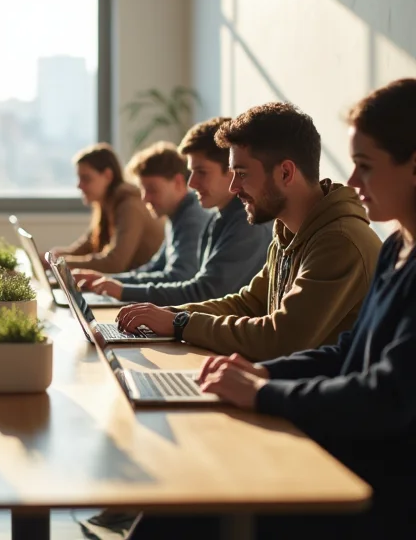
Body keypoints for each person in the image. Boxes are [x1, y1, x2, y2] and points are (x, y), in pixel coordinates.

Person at [133, 79, 416, 539]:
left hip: (374, 477)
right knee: (182, 490)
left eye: (365, 166)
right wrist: (263, 376)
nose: (353, 181)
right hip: (334, 430)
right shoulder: (393, 249)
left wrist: (262, 390)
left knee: (195, 490)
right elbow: (347, 349)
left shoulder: (344, 241)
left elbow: (385, 395)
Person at [116, 103, 381, 361]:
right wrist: (170, 315)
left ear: (286, 173)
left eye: (242, 173)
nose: (233, 187)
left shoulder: (339, 241)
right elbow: (248, 304)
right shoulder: (287, 234)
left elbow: (279, 339)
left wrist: (180, 323)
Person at [81, 118, 272, 306]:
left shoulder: (247, 223)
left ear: (232, 171)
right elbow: (160, 269)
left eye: (202, 172)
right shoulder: (217, 218)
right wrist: (110, 282)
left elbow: (205, 292)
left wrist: (122, 290)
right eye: (192, 172)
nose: (192, 183)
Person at [75, 141, 209, 297]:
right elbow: (154, 267)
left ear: (178, 182)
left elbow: (178, 278)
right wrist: (106, 280)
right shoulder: (175, 216)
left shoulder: (192, 220)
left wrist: (123, 290)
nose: (145, 199)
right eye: (143, 190)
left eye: (152, 189)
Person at [54, 143, 165, 274]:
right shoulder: (106, 205)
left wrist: (60, 263)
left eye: (86, 178)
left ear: (108, 176)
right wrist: (52, 256)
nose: (79, 185)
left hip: (144, 284)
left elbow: (114, 264)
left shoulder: (129, 206)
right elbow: (86, 247)